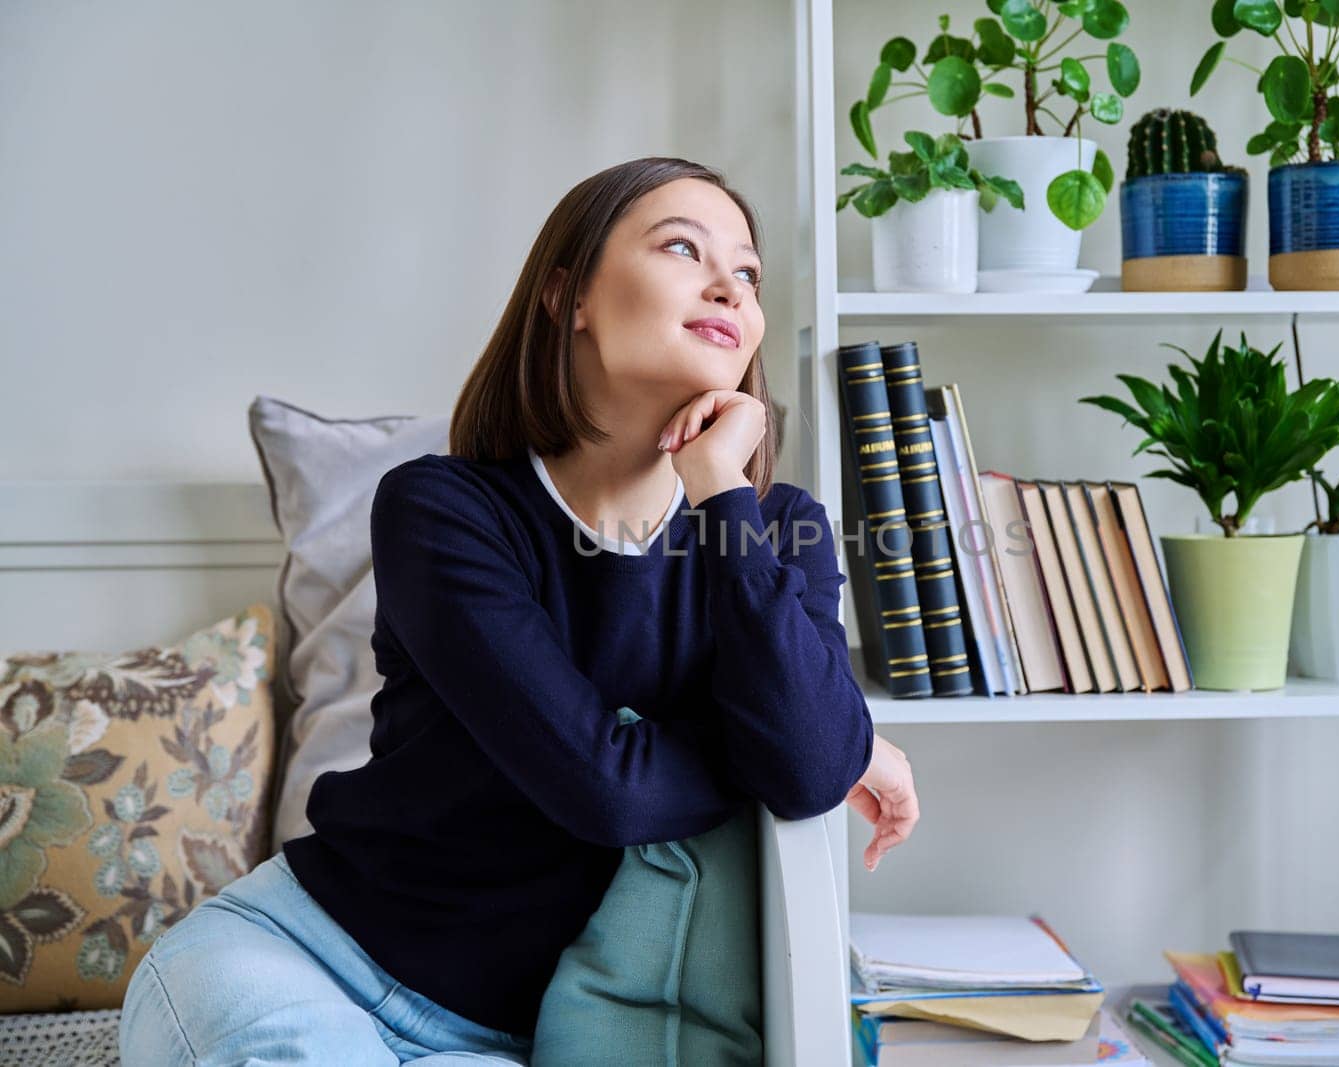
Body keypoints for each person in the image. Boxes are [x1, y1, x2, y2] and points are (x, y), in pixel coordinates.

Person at [118, 156, 920, 1065]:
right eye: (683, 248)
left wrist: (721, 489)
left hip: (523, 1037)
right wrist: (823, 747)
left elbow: (808, 763)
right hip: (306, 960)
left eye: (747, 273)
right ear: (567, 296)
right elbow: (605, 788)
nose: (725, 287)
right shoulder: (442, 510)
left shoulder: (777, 530)